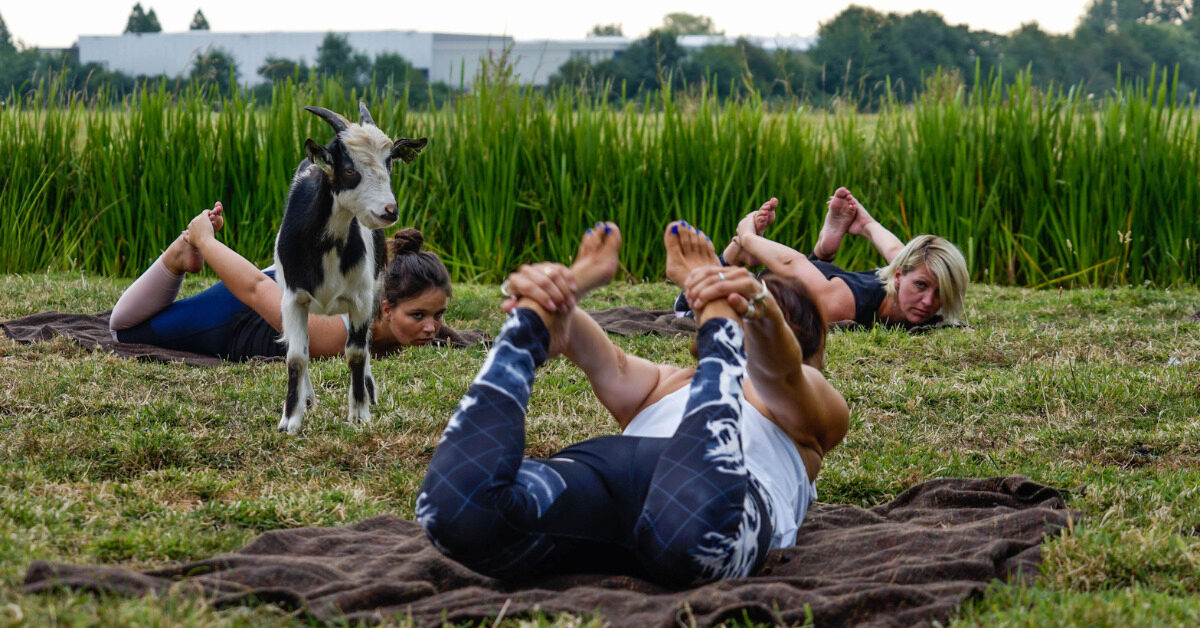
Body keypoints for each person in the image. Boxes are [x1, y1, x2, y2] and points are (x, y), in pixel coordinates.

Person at [416, 220, 849, 587]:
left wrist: (750, 310)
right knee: (456, 513)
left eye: (747, 306)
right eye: (732, 298)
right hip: (611, 474)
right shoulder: (664, 381)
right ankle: (527, 323)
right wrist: (556, 294)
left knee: (694, 544)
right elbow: (585, 346)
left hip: (720, 496)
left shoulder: (808, 402)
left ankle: (721, 332)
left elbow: (781, 372)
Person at [108, 202, 452, 361]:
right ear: (387, 309)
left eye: (438, 315)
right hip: (244, 312)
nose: (432, 328)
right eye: (419, 316)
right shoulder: (333, 336)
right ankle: (179, 254)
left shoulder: (399, 311)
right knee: (124, 330)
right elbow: (256, 288)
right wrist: (206, 242)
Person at [698, 187, 969, 329]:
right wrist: (748, 236)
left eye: (940, 293)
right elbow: (793, 265)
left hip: (820, 273)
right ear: (898, 277)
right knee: (687, 303)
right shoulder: (841, 304)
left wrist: (867, 224)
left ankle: (824, 251)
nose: (929, 303)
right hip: (789, 281)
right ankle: (737, 252)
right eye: (922, 287)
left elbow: (900, 253)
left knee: (912, 264)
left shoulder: (912, 274)